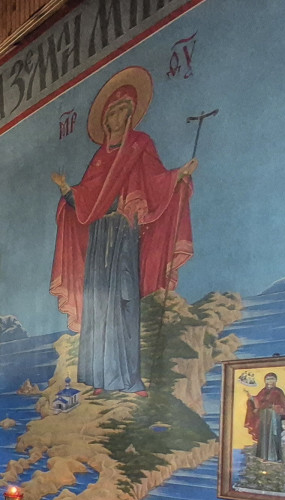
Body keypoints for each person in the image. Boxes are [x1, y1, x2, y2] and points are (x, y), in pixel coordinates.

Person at [50, 66, 195, 396]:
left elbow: (155, 182)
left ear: (131, 115)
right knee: (98, 305)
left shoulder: (140, 145)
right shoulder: (101, 157)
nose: (118, 117)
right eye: (113, 112)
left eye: (124, 111)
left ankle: (128, 379)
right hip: (100, 238)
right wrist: (66, 190)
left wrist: (178, 176)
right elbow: (85, 201)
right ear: (106, 119)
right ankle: (99, 378)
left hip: (124, 237)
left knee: (125, 301)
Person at [246, 373, 285, 463]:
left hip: (274, 415)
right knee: (264, 435)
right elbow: (257, 400)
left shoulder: (278, 391)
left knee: (274, 434)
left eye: (272, 379)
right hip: (264, 415)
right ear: (265, 381)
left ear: (275, 380)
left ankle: (275, 457)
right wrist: (251, 398)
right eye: (268, 379)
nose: (270, 381)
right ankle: (263, 456)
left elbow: (284, 403)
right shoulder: (263, 391)